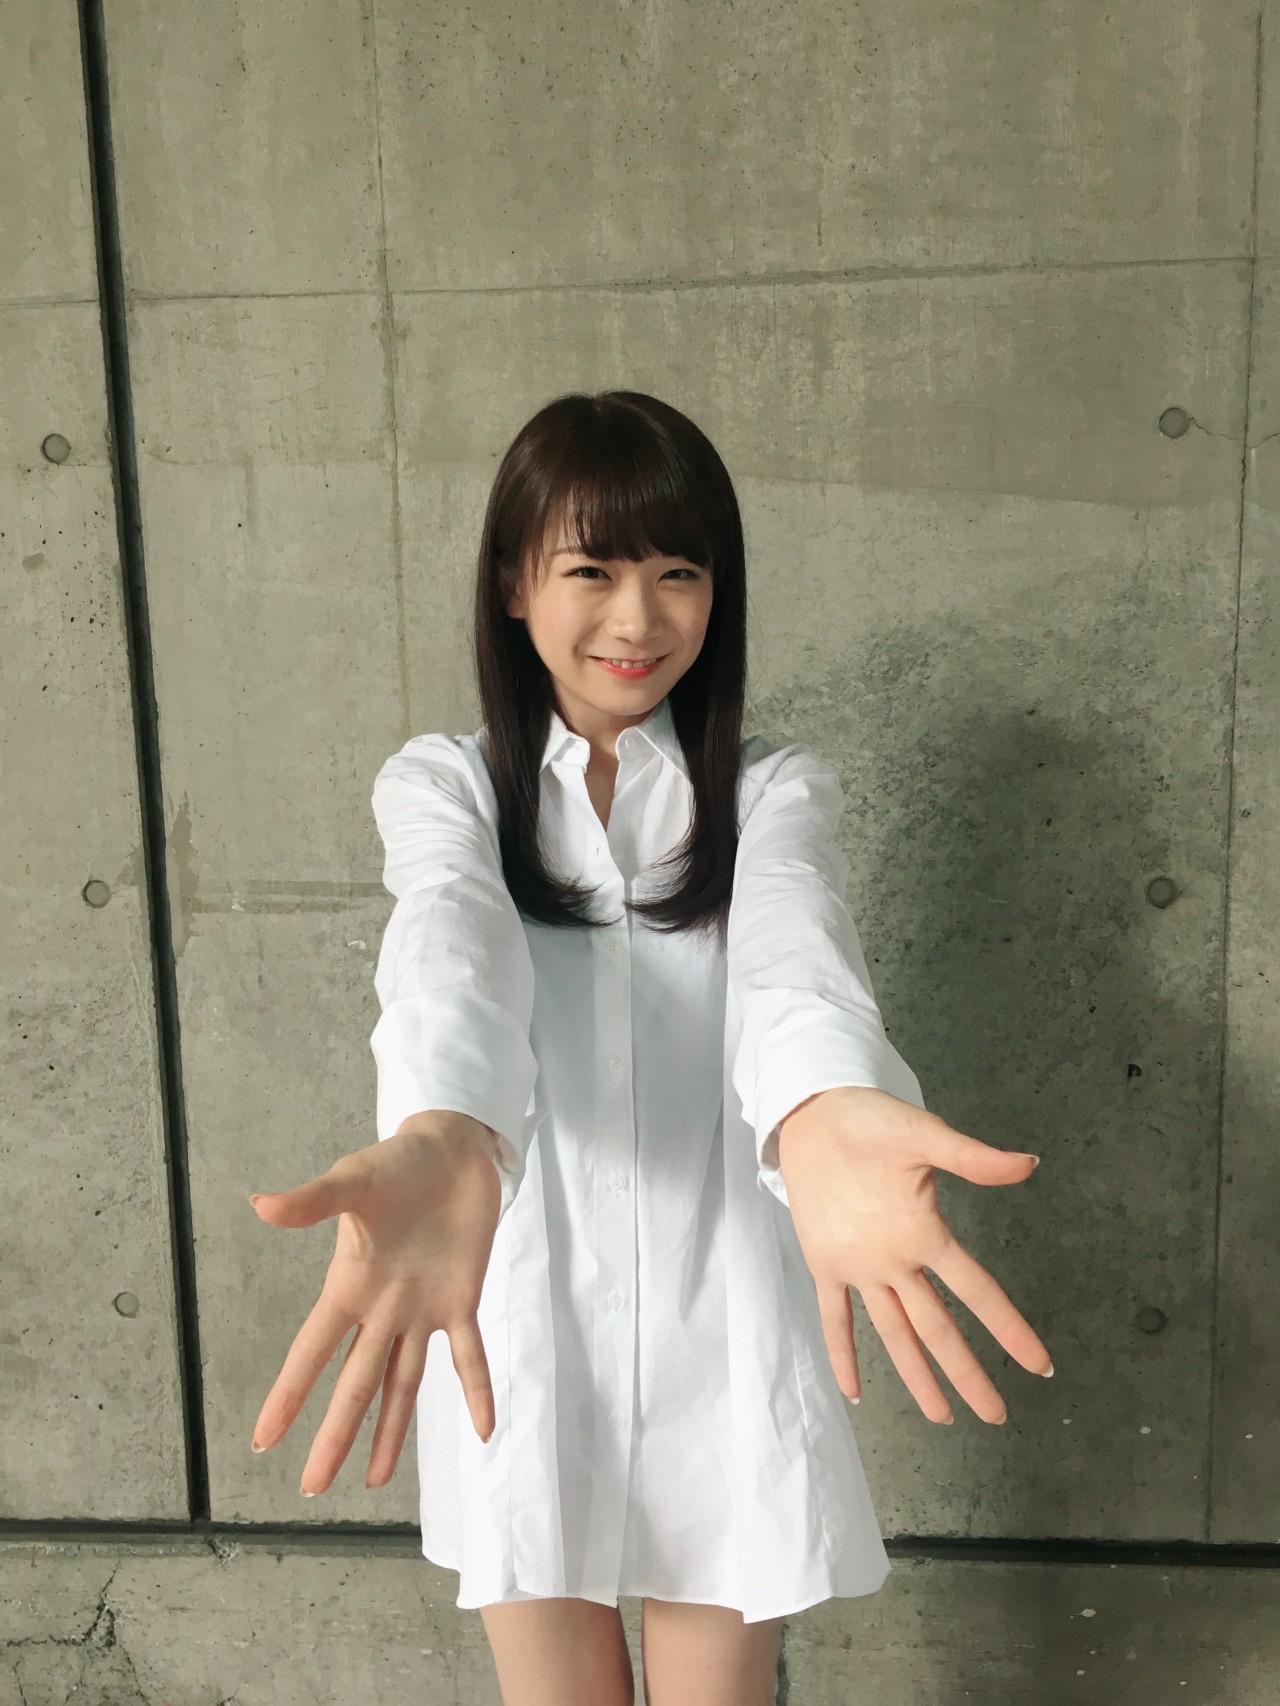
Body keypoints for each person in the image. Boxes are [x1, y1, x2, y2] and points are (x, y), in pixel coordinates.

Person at [248, 390, 1052, 1706]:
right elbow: (452, 947)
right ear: (514, 582)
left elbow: (796, 960)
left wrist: (825, 1105)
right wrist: (444, 1128)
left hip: (720, 1309)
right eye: (592, 570)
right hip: (516, 1300)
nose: (638, 617)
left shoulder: (770, 793)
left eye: (679, 571)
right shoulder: (448, 787)